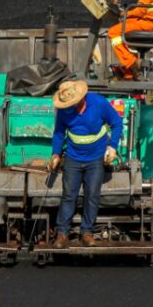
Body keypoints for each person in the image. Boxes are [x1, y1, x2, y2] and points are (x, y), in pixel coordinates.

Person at [48, 79, 124, 248]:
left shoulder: (98, 103)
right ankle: (62, 233)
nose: (70, 107)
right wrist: (55, 154)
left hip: (96, 158)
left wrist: (112, 147)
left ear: (81, 98)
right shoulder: (64, 111)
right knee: (69, 196)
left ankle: (87, 232)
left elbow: (117, 123)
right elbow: (59, 133)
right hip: (73, 158)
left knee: (92, 195)